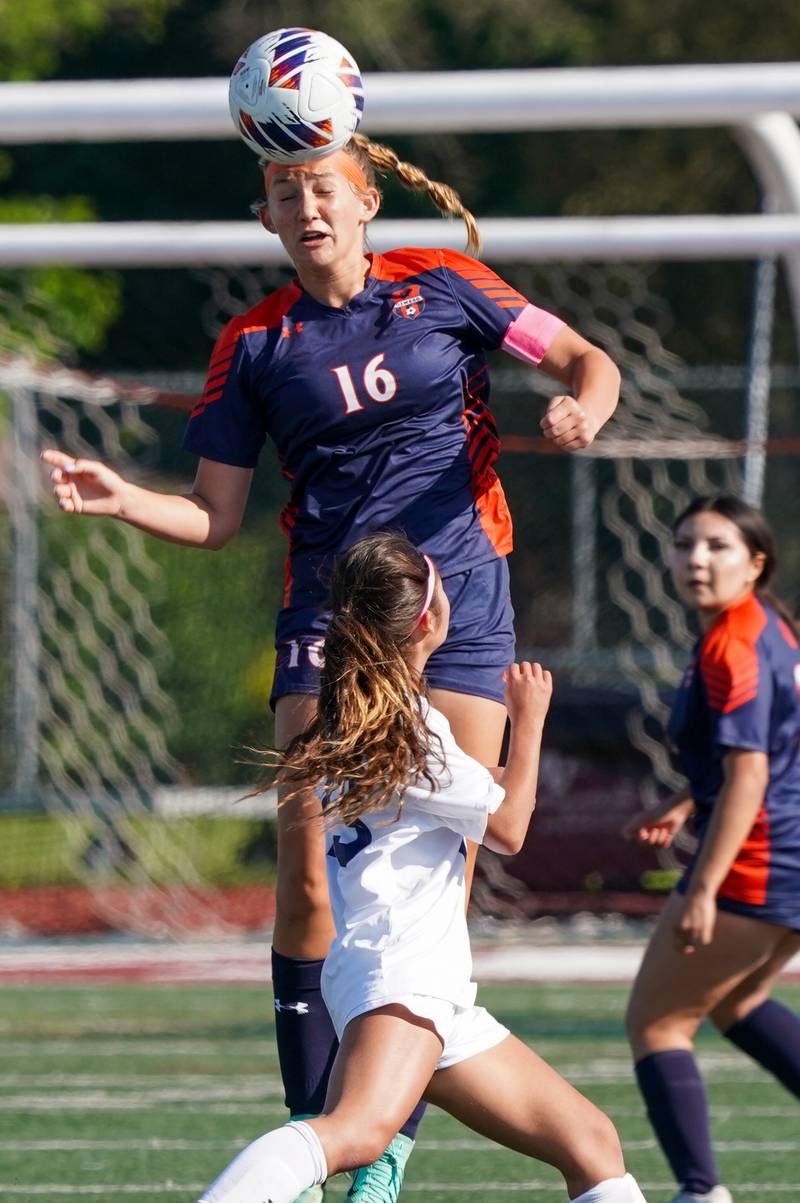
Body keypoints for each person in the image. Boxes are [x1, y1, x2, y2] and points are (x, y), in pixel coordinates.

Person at [42, 129, 620, 1202]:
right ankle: (323, 1129)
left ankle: (375, 1136)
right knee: (309, 880)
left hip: (454, 605)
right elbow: (215, 517)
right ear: (264, 217)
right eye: (281, 190)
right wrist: (126, 500)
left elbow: (587, 357)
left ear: (364, 202)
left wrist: (583, 402)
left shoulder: (444, 283)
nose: (304, 205)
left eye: (321, 186)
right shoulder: (254, 344)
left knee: (442, 865)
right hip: (326, 616)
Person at [196, 529, 648, 1203]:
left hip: (411, 978)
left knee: (592, 1141)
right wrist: (528, 723)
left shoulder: (365, 716)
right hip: (403, 971)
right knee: (353, 1133)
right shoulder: (411, 725)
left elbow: (461, 789)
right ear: (430, 619)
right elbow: (509, 827)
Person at [623, 495, 800, 1203]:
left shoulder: (734, 642)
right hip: (786, 854)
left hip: (760, 865)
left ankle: (701, 1192)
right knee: (739, 1000)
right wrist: (689, 797)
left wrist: (702, 889)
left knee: (657, 1021)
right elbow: (768, 754)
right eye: (685, 543)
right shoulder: (768, 629)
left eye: (718, 546)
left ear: (755, 562)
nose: (696, 558)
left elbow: (753, 771)